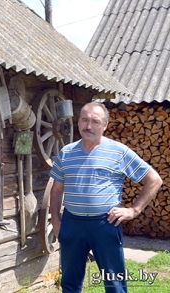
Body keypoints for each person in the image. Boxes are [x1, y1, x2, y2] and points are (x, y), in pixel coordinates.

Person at [49, 101, 163, 293]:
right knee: (70, 283)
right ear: (78, 123)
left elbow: (154, 180)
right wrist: (56, 221)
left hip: (105, 224)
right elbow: (56, 190)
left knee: (115, 283)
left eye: (95, 121)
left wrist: (134, 210)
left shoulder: (119, 152)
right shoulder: (66, 153)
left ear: (105, 125)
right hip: (71, 223)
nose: (88, 126)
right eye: (84, 120)